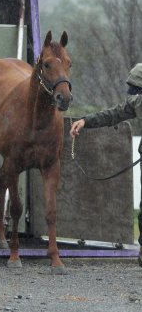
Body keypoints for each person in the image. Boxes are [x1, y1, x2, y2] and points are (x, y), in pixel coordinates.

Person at [69, 63, 142, 267]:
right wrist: (85, 121)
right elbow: (112, 114)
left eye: (139, 90)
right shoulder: (137, 103)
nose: (136, 96)